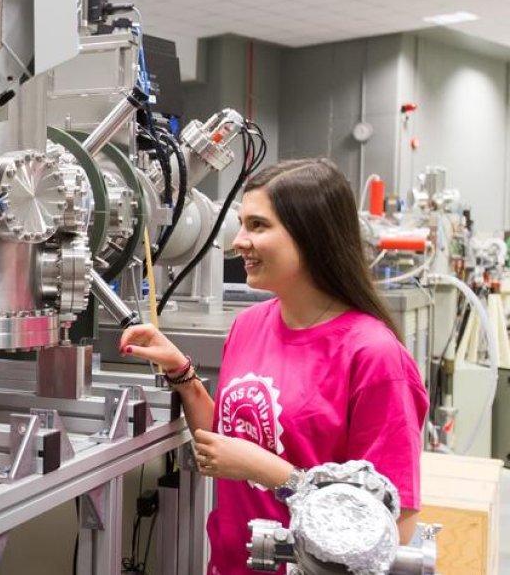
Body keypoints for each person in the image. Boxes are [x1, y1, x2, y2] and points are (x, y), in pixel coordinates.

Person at [119, 158, 428, 574]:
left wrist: (276, 475)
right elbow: (229, 444)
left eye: (258, 226)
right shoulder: (249, 326)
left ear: (312, 236)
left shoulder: (372, 354)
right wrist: (184, 377)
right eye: (242, 224)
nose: (239, 241)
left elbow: (393, 528)